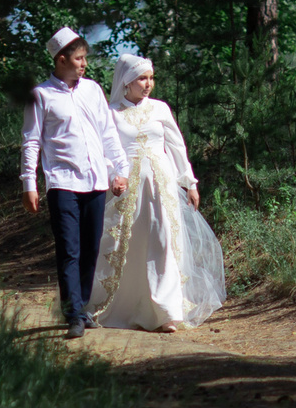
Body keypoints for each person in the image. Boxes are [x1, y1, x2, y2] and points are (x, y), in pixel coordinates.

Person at [89, 54, 225, 332]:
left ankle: (165, 312)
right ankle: (126, 306)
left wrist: (190, 182)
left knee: (163, 242)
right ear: (126, 81)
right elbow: (102, 152)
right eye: (142, 78)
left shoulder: (160, 109)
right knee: (128, 244)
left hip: (161, 186)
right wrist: (111, 176)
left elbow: (177, 147)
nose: (148, 83)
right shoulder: (111, 112)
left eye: (151, 78)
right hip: (127, 189)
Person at [20, 26, 128, 338]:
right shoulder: (41, 95)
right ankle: (74, 315)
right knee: (69, 248)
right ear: (62, 59)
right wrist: (29, 184)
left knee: (90, 248)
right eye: (79, 58)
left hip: (95, 181)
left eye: (84, 58)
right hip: (62, 182)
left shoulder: (93, 90)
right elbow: (31, 142)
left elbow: (107, 133)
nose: (84, 64)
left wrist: (118, 171)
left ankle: (81, 307)